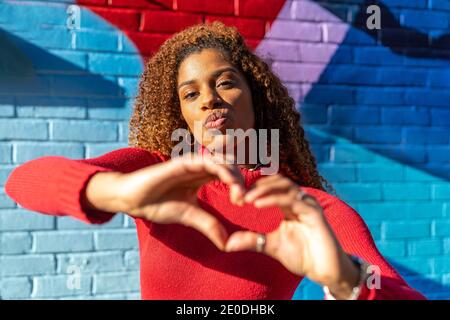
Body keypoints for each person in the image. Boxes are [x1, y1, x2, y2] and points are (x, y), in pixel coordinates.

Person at [5, 22, 425, 300]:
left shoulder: (309, 209)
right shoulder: (152, 170)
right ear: (182, 115)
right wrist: (114, 191)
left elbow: (394, 290)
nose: (209, 99)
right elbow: (22, 181)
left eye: (225, 82)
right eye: (191, 94)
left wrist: (349, 282)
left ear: (256, 99)